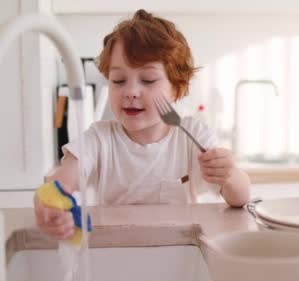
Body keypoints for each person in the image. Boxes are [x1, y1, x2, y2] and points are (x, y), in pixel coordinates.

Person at [34, 9, 250, 240]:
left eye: (148, 80)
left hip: (179, 250)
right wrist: (48, 207)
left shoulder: (193, 135)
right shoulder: (99, 138)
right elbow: (57, 184)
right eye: (118, 81)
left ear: (176, 88)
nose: (130, 92)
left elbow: (240, 197)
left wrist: (229, 174)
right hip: (117, 248)